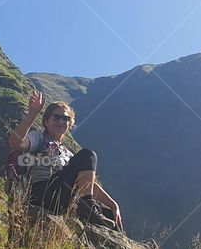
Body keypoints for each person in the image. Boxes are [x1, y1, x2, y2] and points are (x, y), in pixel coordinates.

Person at [7, 89, 123, 231]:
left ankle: (91, 214)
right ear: (46, 121)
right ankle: (87, 208)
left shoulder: (68, 154)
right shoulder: (39, 138)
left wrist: (113, 205)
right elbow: (15, 143)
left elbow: (88, 183)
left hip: (60, 198)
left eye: (66, 119)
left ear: (70, 124)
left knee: (110, 215)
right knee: (88, 154)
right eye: (56, 117)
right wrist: (33, 114)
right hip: (40, 193)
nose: (61, 121)